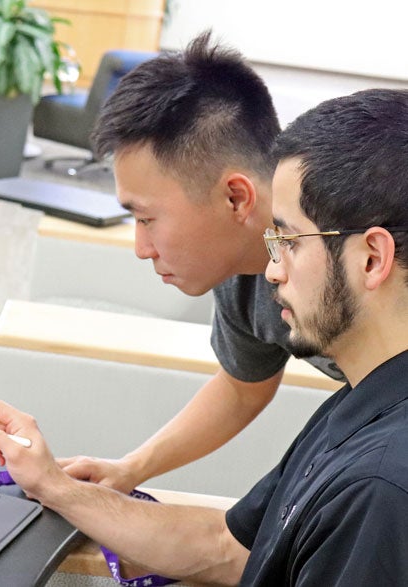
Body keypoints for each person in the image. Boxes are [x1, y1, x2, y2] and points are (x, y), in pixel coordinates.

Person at [0, 88, 408, 584]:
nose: (273, 270)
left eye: (289, 241)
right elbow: (229, 547)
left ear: (372, 259)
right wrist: (61, 485)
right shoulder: (352, 407)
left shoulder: (376, 486)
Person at [57, 30, 344, 494]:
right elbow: (242, 386)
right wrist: (129, 469)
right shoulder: (239, 263)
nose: (141, 248)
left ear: (236, 198)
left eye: (148, 219)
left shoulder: (361, 243)